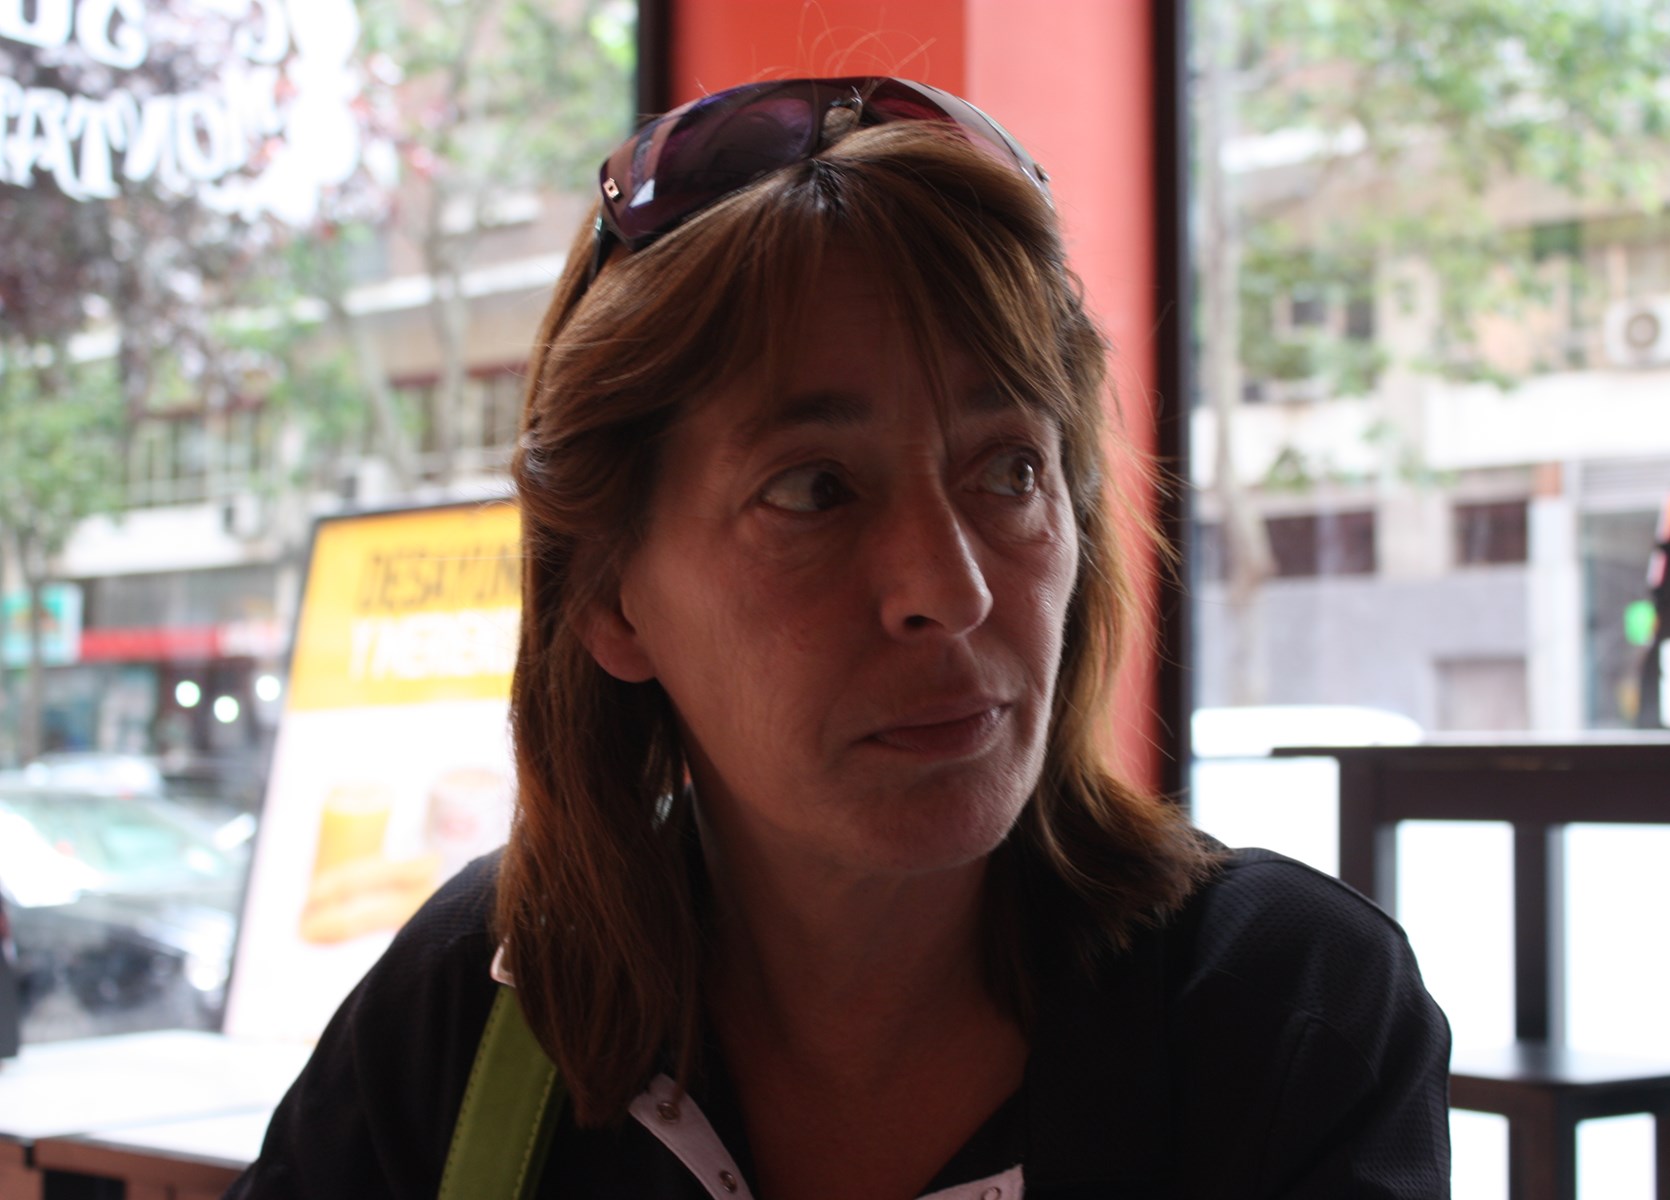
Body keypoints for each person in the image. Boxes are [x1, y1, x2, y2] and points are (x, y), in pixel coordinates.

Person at [227, 77, 1451, 1199]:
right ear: (609, 596)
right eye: (814, 489)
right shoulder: (486, 1006)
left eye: (1010, 470)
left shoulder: (1282, 1019)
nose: (949, 591)